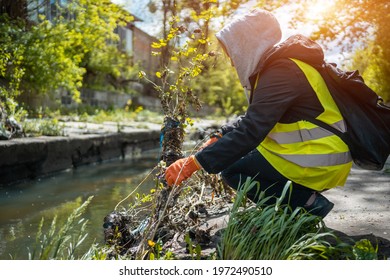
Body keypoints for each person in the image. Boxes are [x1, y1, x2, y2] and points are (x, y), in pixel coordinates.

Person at [164, 8, 353, 218]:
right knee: (242, 158)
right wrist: (219, 137)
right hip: (316, 153)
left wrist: (194, 163)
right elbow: (252, 117)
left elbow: (251, 130)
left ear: (247, 45)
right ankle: (297, 201)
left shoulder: (281, 72)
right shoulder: (280, 68)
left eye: (232, 52)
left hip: (319, 157)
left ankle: (308, 204)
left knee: (232, 169)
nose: (231, 61)